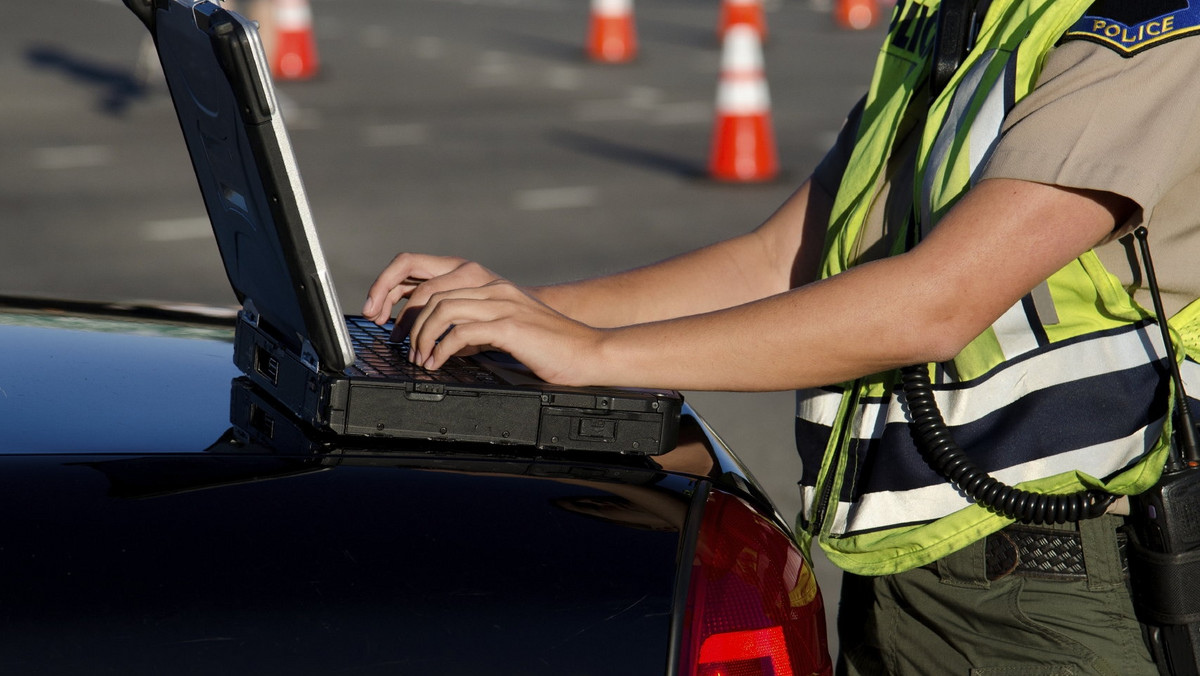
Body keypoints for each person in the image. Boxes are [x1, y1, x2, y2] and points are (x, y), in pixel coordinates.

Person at [362, 0, 1200, 672]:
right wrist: (526, 314)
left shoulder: (1152, 27)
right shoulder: (962, 18)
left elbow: (937, 303)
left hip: (1064, 576)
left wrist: (593, 356)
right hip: (912, 569)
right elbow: (778, 259)